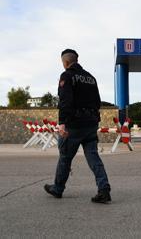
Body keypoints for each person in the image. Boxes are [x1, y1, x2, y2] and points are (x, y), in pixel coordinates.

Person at [44, 49, 111, 204]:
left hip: (74, 125)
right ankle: (104, 189)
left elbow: (65, 100)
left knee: (65, 157)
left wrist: (62, 123)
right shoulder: (91, 78)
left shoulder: (67, 75)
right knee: (93, 157)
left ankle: (58, 188)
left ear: (65, 62)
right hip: (91, 124)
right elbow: (97, 101)